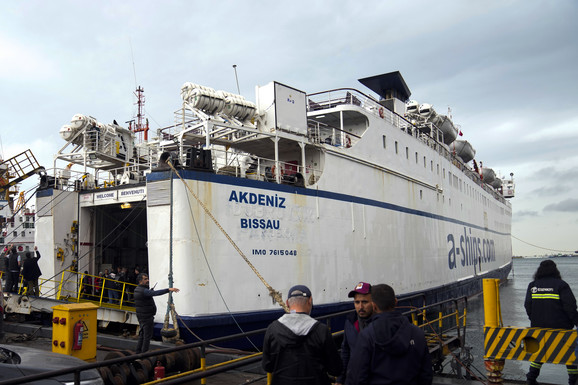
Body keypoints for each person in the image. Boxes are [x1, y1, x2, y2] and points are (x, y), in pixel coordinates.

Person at [346, 284, 433, 385]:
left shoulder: (367, 336)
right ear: (396, 302)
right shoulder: (418, 333)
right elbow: (426, 374)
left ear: (374, 306)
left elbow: (357, 377)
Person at [262, 284, 342, 385]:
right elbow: (335, 369)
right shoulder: (322, 331)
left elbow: (267, 366)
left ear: (287, 303)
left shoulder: (272, 329)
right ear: (310, 301)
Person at [524, 259, 578, 385]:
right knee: (569, 354)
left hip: (539, 327)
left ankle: (531, 378)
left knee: (540, 352)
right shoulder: (561, 285)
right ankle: (573, 381)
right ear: (555, 270)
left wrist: (534, 319)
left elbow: (527, 305)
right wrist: (576, 322)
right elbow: (570, 306)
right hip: (561, 327)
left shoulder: (533, 286)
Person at [336, 282, 373, 385]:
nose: (360, 306)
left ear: (373, 302)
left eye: (364, 302)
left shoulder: (380, 324)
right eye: (357, 302)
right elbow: (345, 351)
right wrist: (340, 379)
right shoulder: (350, 321)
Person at [133, 273, 180, 354]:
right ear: (140, 281)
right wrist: (168, 289)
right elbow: (155, 293)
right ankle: (144, 354)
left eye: (147, 278)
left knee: (142, 335)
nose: (147, 280)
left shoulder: (137, 289)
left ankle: (137, 353)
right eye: (145, 279)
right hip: (147, 317)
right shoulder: (143, 291)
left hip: (141, 316)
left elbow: (147, 295)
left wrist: (149, 292)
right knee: (147, 337)